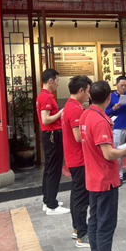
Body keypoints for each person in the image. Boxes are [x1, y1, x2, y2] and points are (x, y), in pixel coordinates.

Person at [80, 81, 126, 251]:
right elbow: (109, 153)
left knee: (95, 220)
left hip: (93, 177)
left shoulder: (86, 115)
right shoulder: (99, 121)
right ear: (108, 98)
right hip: (105, 179)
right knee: (106, 223)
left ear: (90, 96)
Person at [62, 75, 92, 248]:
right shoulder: (75, 109)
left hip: (73, 158)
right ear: (81, 90)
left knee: (76, 195)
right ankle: (82, 234)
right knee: (81, 197)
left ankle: (76, 229)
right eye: (88, 91)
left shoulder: (70, 105)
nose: (89, 95)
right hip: (79, 159)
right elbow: (78, 137)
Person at [36, 68, 70, 215]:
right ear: (50, 80)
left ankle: (47, 200)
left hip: (50, 135)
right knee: (54, 170)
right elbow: (45, 119)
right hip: (52, 136)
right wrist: (61, 112)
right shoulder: (46, 97)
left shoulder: (43, 95)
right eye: (57, 80)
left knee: (49, 169)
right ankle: (52, 205)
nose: (58, 83)